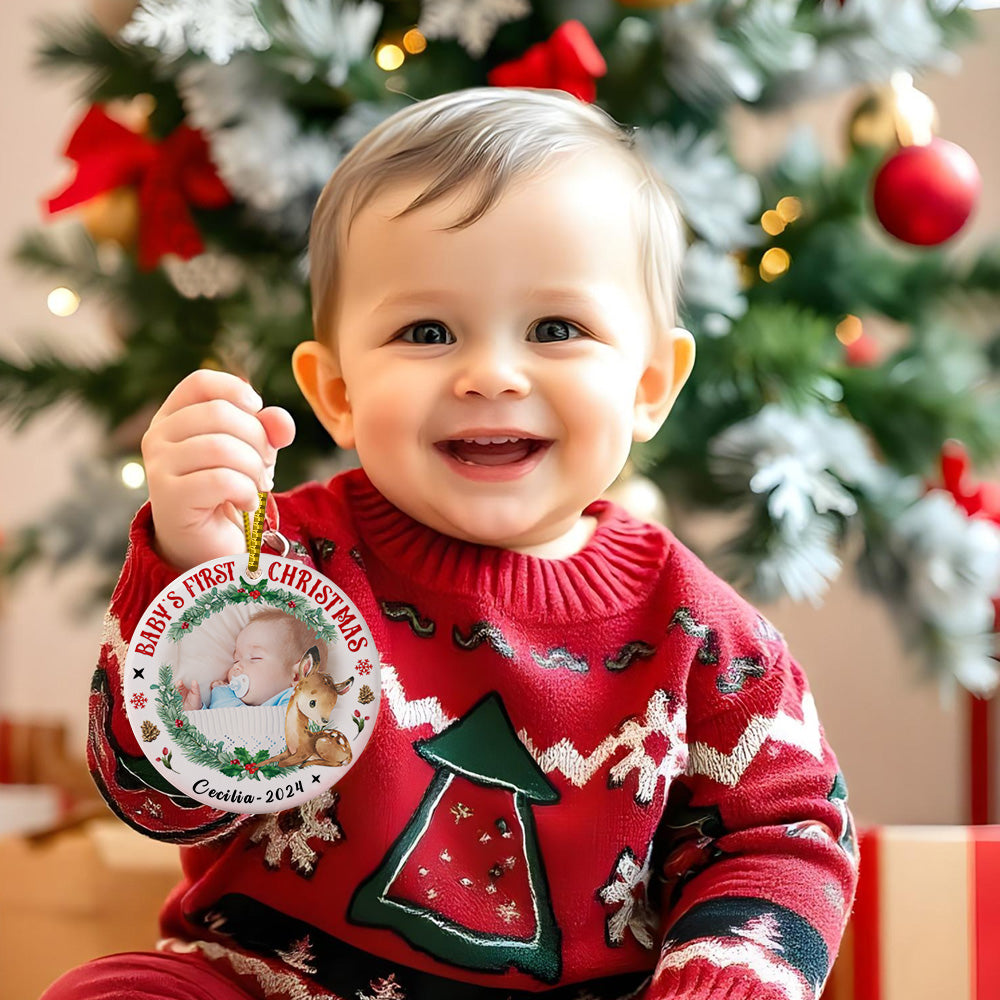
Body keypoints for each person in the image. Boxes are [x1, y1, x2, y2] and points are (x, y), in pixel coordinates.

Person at [44, 87, 858, 1000]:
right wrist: (193, 570)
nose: (490, 375)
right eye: (426, 331)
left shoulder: (706, 639)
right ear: (339, 392)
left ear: (650, 382)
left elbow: (780, 839)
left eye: (556, 328)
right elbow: (155, 801)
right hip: (273, 980)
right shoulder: (276, 569)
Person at [177, 609, 322, 711]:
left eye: (255, 658)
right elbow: (218, 733)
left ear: (298, 674)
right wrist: (195, 712)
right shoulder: (235, 701)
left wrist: (222, 696)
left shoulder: (297, 703)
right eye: (236, 660)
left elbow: (239, 722)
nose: (238, 667)